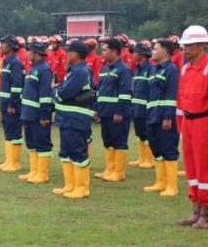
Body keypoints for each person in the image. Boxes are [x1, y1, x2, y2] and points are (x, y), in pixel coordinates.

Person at [175, 25, 208, 229]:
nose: (185, 49)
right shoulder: (185, 69)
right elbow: (181, 100)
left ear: (201, 46)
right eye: (184, 45)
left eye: (189, 45)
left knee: (207, 169)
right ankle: (196, 210)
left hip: (205, 124)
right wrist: (181, 127)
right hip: (189, 123)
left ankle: (207, 214)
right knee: (192, 168)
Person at [53, 39, 95, 199]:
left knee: (77, 152)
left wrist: (56, 93)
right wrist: (59, 92)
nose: (66, 54)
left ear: (75, 54)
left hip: (76, 118)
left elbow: (64, 93)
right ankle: (70, 185)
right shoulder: (75, 70)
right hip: (67, 117)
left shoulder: (80, 71)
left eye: (69, 52)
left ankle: (82, 188)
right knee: (66, 152)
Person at [142, 39, 181, 197]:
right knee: (156, 148)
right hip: (152, 115)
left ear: (164, 52)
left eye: (155, 49)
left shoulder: (171, 70)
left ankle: (172, 186)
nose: (152, 51)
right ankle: (161, 182)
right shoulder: (153, 69)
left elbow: (172, 94)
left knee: (168, 149)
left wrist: (168, 117)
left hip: (164, 117)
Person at [93, 37, 133, 183]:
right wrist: (97, 109)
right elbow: (100, 91)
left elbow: (125, 93)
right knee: (108, 141)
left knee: (119, 141)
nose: (102, 53)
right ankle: (109, 169)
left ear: (114, 51)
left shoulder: (124, 70)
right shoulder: (104, 69)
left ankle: (119, 172)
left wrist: (119, 112)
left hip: (117, 113)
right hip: (105, 112)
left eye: (105, 50)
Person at [19, 39, 54, 183]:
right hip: (28, 113)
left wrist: (44, 115)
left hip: (38, 114)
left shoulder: (44, 69)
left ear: (37, 53)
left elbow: (45, 94)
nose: (26, 53)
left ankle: (42, 174)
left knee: (42, 143)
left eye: (29, 50)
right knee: (31, 142)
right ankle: (34, 171)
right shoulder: (33, 67)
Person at [0, 35, 25, 173]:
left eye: (4, 44)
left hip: (12, 105)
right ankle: (9, 161)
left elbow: (17, 86)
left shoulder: (15, 63)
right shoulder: (7, 61)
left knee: (14, 132)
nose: (1, 46)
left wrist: (12, 104)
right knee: (8, 131)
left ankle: (15, 163)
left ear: (11, 47)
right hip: (5, 103)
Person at [127, 41, 156, 170]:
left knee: (147, 133)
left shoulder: (150, 69)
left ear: (143, 54)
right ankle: (142, 157)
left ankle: (149, 159)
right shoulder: (138, 68)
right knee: (140, 132)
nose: (133, 54)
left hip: (146, 107)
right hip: (137, 107)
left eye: (135, 52)